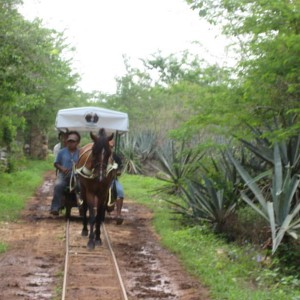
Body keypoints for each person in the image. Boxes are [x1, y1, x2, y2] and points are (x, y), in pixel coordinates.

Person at [50, 131, 81, 215]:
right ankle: (55, 207)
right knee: (58, 185)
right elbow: (56, 163)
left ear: (77, 142)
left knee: (81, 186)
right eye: (69, 141)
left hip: (77, 176)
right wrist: (62, 168)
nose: (71, 143)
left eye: (73, 141)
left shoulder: (80, 152)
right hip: (64, 175)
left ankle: (82, 207)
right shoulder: (61, 152)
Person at [109, 139, 125, 225]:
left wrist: (117, 171)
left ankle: (118, 214)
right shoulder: (99, 155)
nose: (110, 148)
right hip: (99, 180)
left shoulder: (115, 157)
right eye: (109, 146)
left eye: (112, 146)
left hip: (112, 180)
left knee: (120, 191)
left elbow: (120, 168)